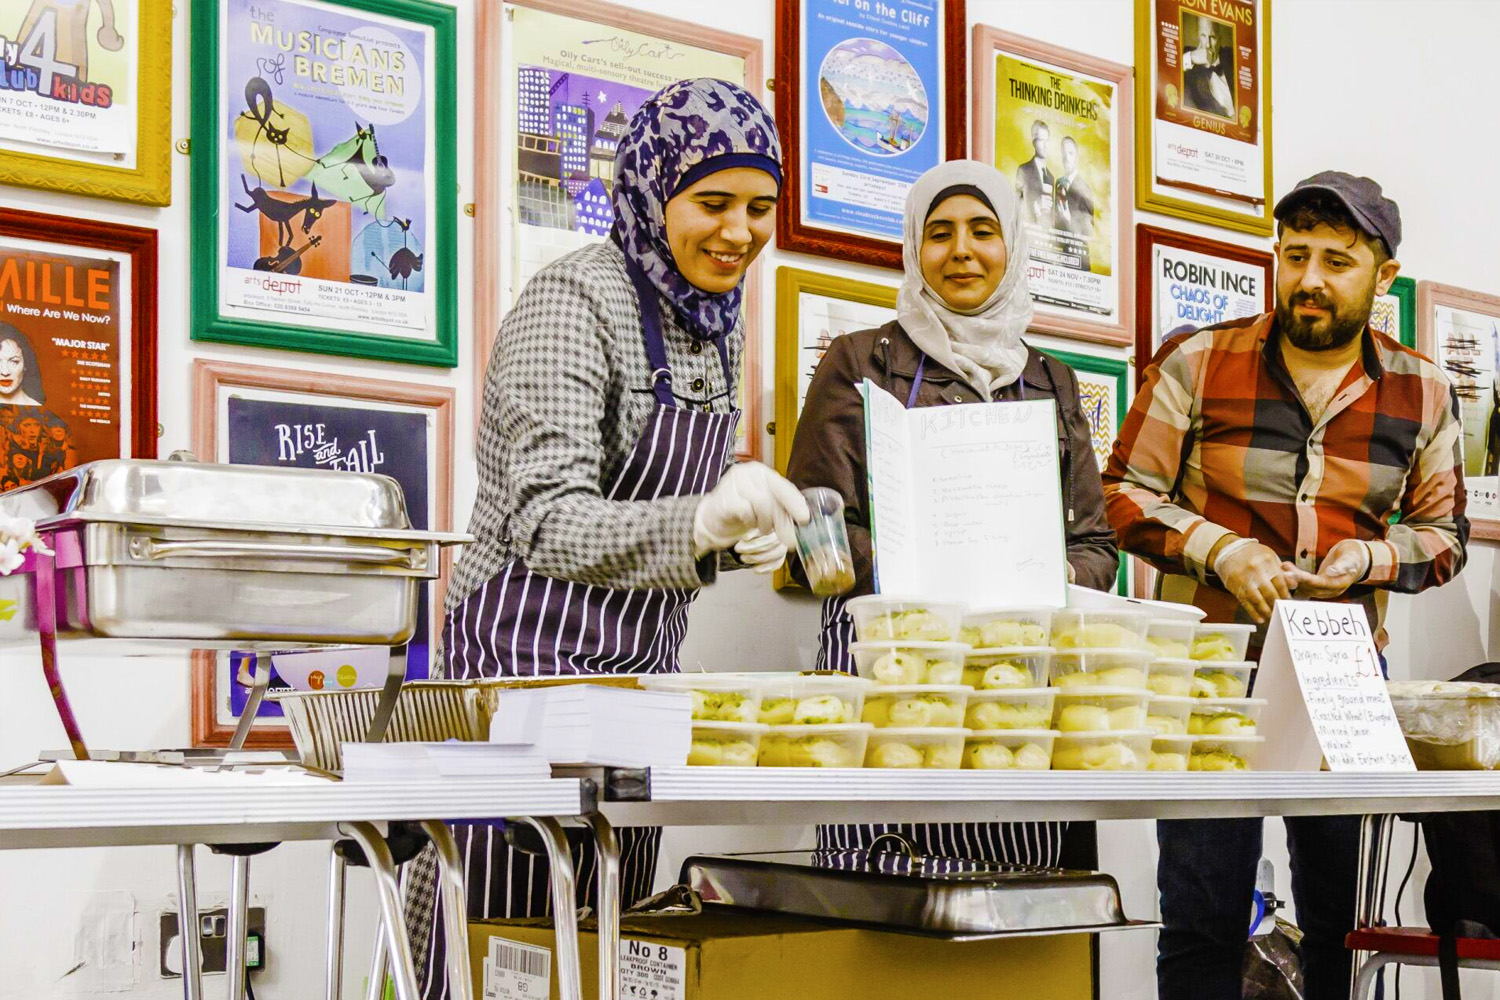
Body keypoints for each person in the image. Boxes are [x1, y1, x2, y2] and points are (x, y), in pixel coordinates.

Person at [407, 78, 806, 1000]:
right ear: (651, 190)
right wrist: (698, 521)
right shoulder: (571, 303)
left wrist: (737, 531)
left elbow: (667, 498)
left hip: (633, 703)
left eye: (760, 208)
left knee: (607, 958)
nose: (739, 233)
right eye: (712, 204)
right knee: (491, 953)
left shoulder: (714, 324)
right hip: (516, 691)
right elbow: (548, 521)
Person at [1102, 171, 1469, 1000]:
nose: (1309, 278)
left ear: (1384, 278)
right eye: (1295, 255)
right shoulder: (1199, 360)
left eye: (1337, 261)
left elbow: (1444, 538)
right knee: (1201, 913)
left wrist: (1364, 560)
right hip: (1208, 673)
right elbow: (1122, 492)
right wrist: (1221, 551)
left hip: (1342, 675)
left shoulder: (1424, 389)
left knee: (1343, 917)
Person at [787, 159, 1119, 865]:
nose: (961, 250)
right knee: (879, 914)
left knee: (1015, 917)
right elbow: (814, 527)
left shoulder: (1050, 380)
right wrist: (936, 575)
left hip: (1014, 681)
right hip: (887, 672)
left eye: (982, 230)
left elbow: (1097, 546)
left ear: (1013, 245)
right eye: (939, 233)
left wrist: (1037, 575)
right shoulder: (859, 362)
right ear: (913, 248)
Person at [1052, 136, 1096, 269]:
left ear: (1077, 157)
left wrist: (1070, 220)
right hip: (1058, 258)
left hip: (1077, 262)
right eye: (1063, 153)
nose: (1066, 158)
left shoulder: (1085, 190)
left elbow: (1089, 232)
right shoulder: (1058, 183)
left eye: (1070, 153)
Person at [1181, 15, 1235, 119]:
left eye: (1212, 37)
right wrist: (1191, 57)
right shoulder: (1187, 55)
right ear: (1198, 36)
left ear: (1220, 39)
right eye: (1203, 36)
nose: (1207, 45)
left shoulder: (1231, 56)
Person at [1015, 119, 1054, 228]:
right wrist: (1037, 205)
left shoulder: (1050, 177)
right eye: (1041, 140)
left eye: (1047, 140)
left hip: (1046, 239)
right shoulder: (1024, 171)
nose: (1046, 145)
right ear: (1034, 143)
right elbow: (1017, 207)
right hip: (1027, 235)